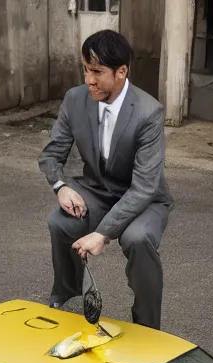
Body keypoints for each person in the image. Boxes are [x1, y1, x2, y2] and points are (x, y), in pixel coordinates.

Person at [38, 29, 173, 330]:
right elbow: (51, 155)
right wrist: (61, 187)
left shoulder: (149, 112)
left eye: (97, 72)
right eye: (85, 69)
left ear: (121, 72)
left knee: (137, 238)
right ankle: (68, 304)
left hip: (144, 199)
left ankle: (148, 327)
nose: (89, 80)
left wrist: (102, 234)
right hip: (99, 191)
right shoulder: (75, 100)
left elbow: (145, 187)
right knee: (60, 222)